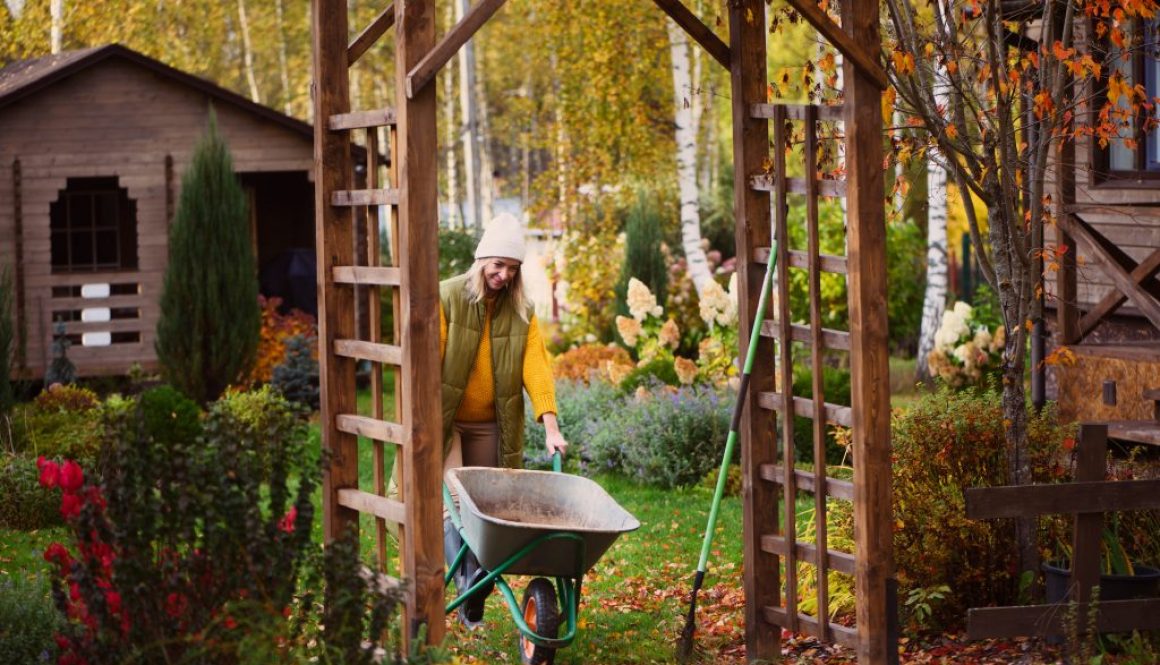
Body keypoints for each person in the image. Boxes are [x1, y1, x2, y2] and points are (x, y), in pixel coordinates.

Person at [441, 212, 568, 626]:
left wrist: (550, 425)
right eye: (498, 265)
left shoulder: (521, 310)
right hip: (446, 421)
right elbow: (426, 360)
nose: (503, 275)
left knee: (485, 507)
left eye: (512, 269)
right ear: (481, 261)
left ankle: (473, 584)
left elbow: (536, 367)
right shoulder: (447, 297)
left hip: (491, 422)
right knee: (456, 501)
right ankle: (470, 582)